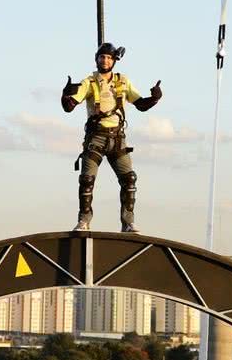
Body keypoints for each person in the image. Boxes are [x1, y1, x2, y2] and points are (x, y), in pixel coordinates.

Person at [61, 42, 162, 232]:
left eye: (108, 57)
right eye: (102, 57)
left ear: (114, 60)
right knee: (87, 180)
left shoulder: (123, 81)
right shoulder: (89, 82)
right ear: (97, 59)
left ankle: (128, 222)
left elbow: (140, 104)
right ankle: (84, 221)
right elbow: (69, 106)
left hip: (117, 139)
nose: (105, 60)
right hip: (96, 138)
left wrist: (155, 98)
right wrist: (65, 96)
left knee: (129, 180)